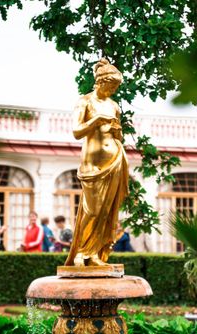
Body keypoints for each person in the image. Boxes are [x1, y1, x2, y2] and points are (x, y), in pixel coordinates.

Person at [64, 58, 129, 266]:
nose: (112, 91)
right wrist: (95, 121)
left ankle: (94, 254)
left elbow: (119, 137)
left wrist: (118, 132)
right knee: (93, 210)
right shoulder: (85, 102)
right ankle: (81, 253)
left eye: (115, 88)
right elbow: (76, 131)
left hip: (115, 160)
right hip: (92, 166)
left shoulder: (114, 106)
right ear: (100, 82)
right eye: (110, 86)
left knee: (106, 211)